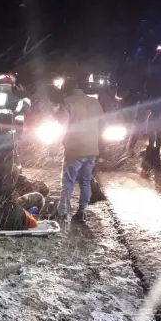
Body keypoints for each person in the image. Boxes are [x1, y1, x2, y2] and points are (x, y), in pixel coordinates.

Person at [55, 78, 104, 223]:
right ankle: (82, 212)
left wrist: (57, 144)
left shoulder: (67, 102)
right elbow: (102, 125)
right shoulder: (94, 102)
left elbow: (62, 126)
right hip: (92, 149)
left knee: (68, 182)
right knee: (86, 181)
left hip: (74, 149)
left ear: (66, 90)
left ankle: (63, 213)